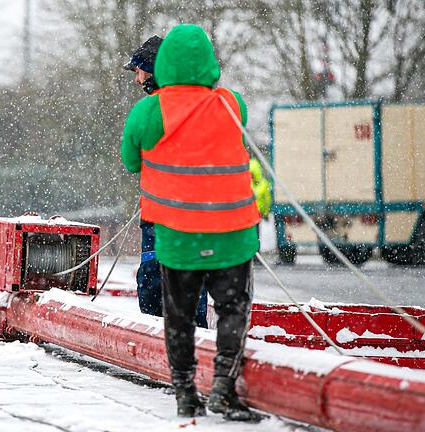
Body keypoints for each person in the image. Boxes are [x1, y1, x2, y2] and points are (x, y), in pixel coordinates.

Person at [120, 24, 261, 421]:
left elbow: (132, 162)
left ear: (162, 65)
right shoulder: (232, 104)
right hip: (233, 232)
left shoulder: (148, 111)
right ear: (210, 63)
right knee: (233, 309)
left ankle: (184, 394)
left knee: (178, 315)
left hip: (178, 233)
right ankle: (223, 389)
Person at [124, 35, 208, 328]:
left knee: (154, 285)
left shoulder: (147, 111)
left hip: (162, 217)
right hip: (196, 217)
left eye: (139, 71)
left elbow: (131, 161)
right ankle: (191, 349)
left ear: (154, 71)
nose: (137, 80)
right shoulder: (204, 105)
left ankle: (168, 354)